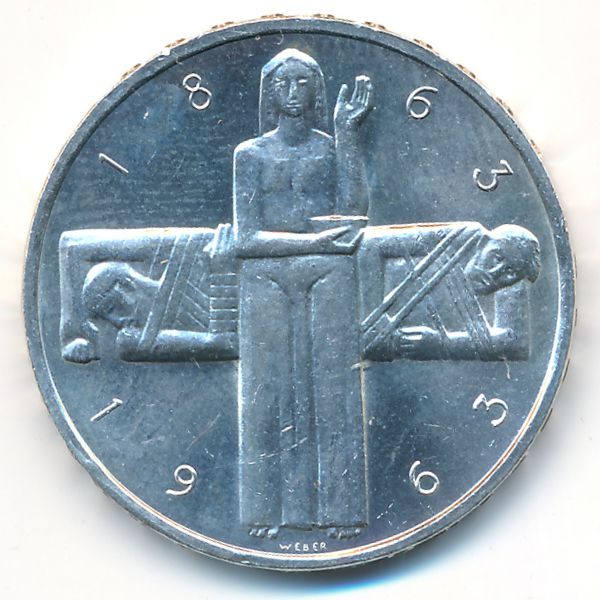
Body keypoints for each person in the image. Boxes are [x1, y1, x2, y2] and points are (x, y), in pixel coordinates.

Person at [234, 49, 374, 540]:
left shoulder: (329, 149)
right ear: (269, 94)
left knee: (336, 390)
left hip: (327, 272)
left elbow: (354, 213)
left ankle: (342, 513)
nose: (293, 93)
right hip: (266, 276)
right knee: (265, 393)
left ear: (316, 90)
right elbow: (246, 239)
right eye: (283, 83)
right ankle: (263, 513)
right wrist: (316, 242)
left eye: (302, 83)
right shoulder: (250, 154)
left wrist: (348, 135)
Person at [361, 223, 541, 361]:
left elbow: (515, 344)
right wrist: (374, 321)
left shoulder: (515, 280)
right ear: (484, 242)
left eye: (510, 272)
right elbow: (370, 245)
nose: (495, 273)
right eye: (496, 257)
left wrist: (442, 344)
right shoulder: (463, 238)